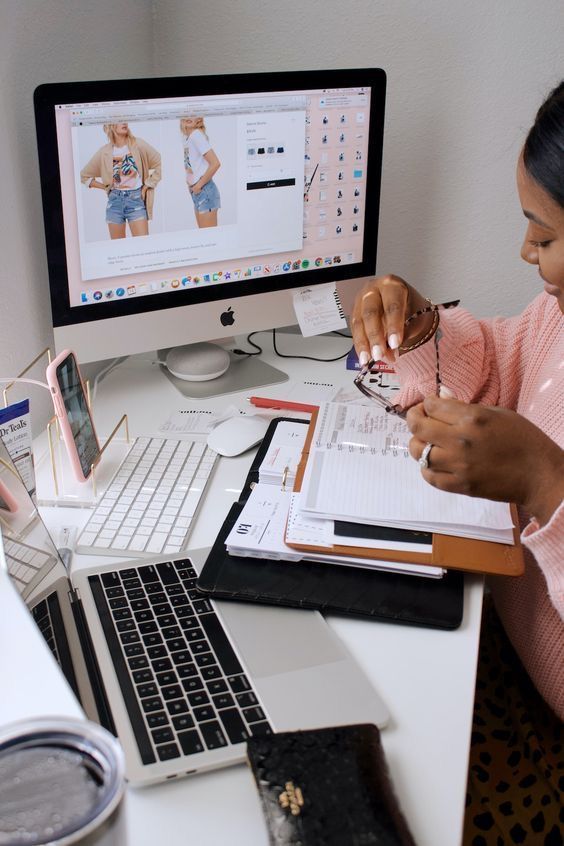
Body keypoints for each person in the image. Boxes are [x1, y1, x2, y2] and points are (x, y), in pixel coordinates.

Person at [351, 81, 564, 844]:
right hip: (498, 644)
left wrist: (547, 483)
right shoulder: (561, 318)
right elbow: (508, 358)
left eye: (544, 236)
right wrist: (421, 327)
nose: (525, 252)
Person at [80, 123, 161, 239]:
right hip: (114, 204)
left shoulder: (138, 144)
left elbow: (159, 162)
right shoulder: (104, 152)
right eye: (119, 119)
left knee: (143, 247)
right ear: (111, 125)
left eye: (125, 119)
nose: (124, 122)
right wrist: (106, 187)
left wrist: (147, 185)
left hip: (136, 201)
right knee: (117, 251)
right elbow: (84, 176)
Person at [180, 116, 221, 228]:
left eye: (193, 114)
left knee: (209, 240)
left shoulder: (196, 135)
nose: (188, 116)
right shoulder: (188, 138)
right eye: (186, 114)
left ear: (198, 120)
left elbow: (215, 163)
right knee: (204, 238)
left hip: (204, 191)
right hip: (198, 192)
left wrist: (198, 186)